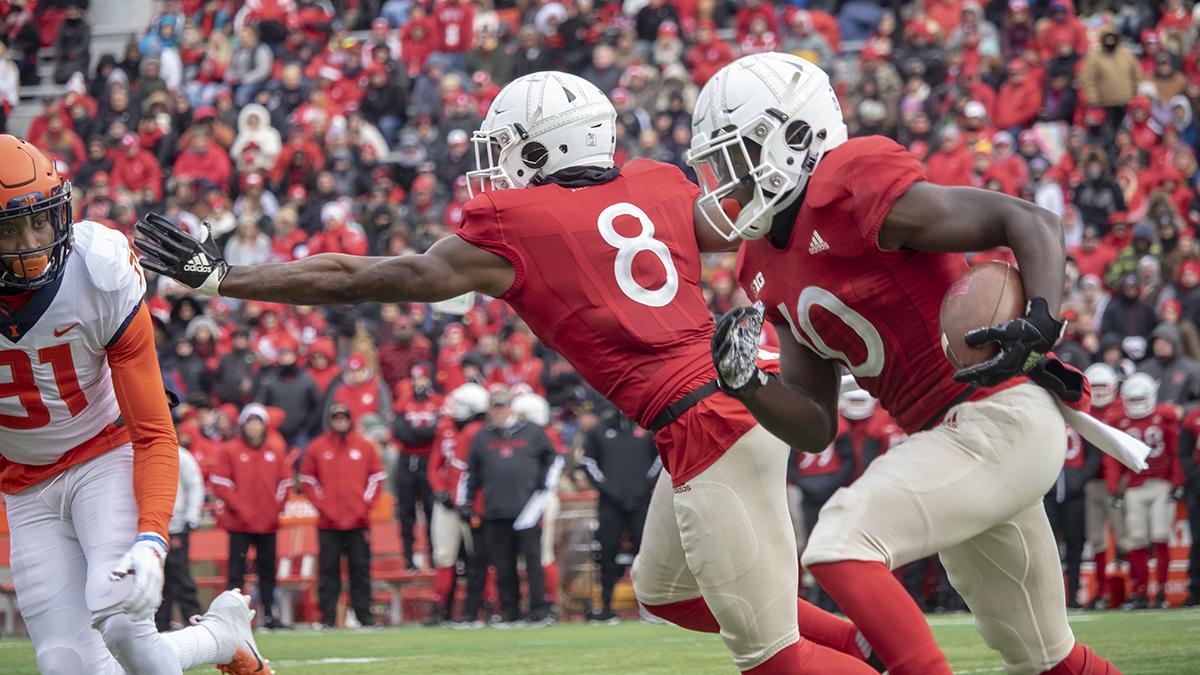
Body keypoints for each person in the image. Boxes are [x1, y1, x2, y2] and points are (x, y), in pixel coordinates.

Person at [136, 70, 879, 673]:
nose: (497, 165)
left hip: (703, 415)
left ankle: (882, 660)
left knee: (770, 653)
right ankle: (859, 645)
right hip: (737, 390)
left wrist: (223, 277)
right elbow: (761, 225)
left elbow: (356, 275)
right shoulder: (657, 182)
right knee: (666, 591)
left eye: (510, 147)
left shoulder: (514, 228)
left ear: (543, 148)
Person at [688, 53, 1120, 674]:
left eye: (737, 159)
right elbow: (815, 422)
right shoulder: (759, 263)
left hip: (999, 415)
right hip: (952, 443)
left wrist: (1041, 324)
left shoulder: (851, 179)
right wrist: (749, 385)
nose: (727, 182)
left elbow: (1026, 219)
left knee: (840, 541)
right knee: (1048, 660)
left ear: (794, 137)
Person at [0, 135, 267, 674]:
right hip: (25, 485)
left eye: (40, 220)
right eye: (9, 228)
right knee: (66, 664)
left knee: (122, 616)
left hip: (104, 455)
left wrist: (151, 540)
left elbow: (153, 432)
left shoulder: (97, 272)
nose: (32, 243)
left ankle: (221, 634)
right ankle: (220, 636)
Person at [461, 385, 555, 625]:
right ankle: (510, 610)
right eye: (495, 406)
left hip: (528, 508)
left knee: (533, 561)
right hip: (495, 508)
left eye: (503, 406)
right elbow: (471, 472)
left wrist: (544, 489)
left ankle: (539, 609)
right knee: (503, 564)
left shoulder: (532, 432)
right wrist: (467, 501)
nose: (499, 411)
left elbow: (552, 460)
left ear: (510, 406)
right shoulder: (482, 437)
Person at [298, 403, 388, 629]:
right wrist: (323, 506)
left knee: (360, 570)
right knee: (328, 570)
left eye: (344, 417)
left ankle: (364, 617)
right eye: (336, 418)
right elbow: (308, 479)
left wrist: (363, 505)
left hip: (358, 521)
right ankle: (328, 618)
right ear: (330, 420)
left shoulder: (364, 447)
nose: (340, 422)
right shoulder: (317, 447)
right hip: (328, 522)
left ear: (350, 419)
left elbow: (377, 477)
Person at [210, 403, 292, 630]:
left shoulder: (274, 451)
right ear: (243, 425)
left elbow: (285, 483)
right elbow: (221, 483)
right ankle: (231, 618)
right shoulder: (230, 450)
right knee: (236, 574)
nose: (254, 427)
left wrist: (274, 509)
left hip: (268, 524)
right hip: (239, 524)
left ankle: (269, 616)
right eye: (250, 423)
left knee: (267, 572)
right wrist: (241, 508)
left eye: (258, 423)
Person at [1106, 374, 1183, 610]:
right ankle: (1139, 592)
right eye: (1133, 399)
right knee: (1136, 540)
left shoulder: (1164, 416)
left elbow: (1176, 451)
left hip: (1160, 484)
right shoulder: (1118, 419)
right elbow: (1113, 456)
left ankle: (1160, 592)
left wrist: (1176, 481)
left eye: (1141, 399)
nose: (1137, 404)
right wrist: (1114, 486)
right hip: (1134, 486)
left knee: (1160, 536)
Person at [578, 407, 660, 623]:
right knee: (606, 555)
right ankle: (605, 607)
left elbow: (660, 458)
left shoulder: (646, 426)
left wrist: (644, 488)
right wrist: (608, 489)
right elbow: (587, 462)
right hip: (608, 504)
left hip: (641, 503)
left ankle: (651, 609)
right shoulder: (599, 430)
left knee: (645, 557)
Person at [426, 383, 489, 625]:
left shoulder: (480, 432)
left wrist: (472, 501)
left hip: (473, 503)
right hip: (448, 502)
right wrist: (440, 490)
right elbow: (434, 464)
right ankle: (441, 607)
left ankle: (486, 604)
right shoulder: (445, 428)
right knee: (443, 555)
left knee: (480, 557)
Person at [1081, 364, 1125, 609]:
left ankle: (1130, 591)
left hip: (1119, 483)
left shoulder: (1122, 410)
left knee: (1126, 537)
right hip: (1091, 483)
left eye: (1102, 386)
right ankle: (1102, 590)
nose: (1098, 392)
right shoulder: (1081, 407)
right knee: (1096, 539)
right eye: (1093, 386)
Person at [156, 445, 204, 631]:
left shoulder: (181, 456)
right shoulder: (139, 453)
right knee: (157, 577)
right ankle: (160, 621)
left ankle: (191, 617)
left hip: (175, 526)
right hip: (153, 525)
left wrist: (191, 518)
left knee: (180, 574)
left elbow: (194, 486)